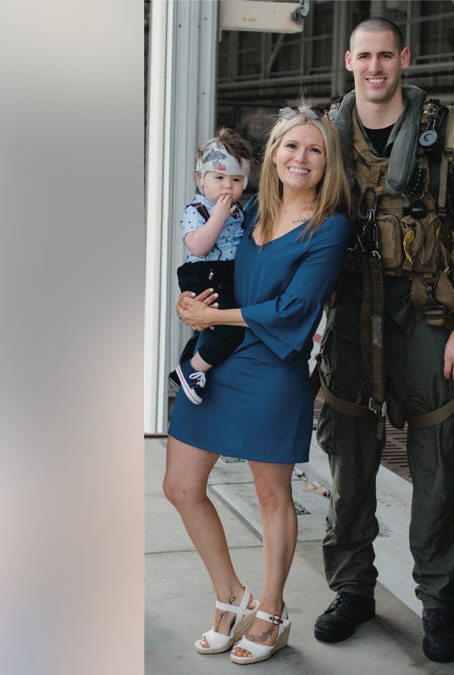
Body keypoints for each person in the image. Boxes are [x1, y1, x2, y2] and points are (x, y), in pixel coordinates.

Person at [314, 16, 454, 663]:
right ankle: (352, 588)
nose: (374, 67)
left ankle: (438, 600)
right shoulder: (325, 137)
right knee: (347, 461)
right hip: (348, 319)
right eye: (363, 56)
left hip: (429, 320)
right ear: (349, 60)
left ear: (405, 57)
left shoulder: (448, 135)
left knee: (437, 467)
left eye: (385, 56)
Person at [164, 105, 350, 666]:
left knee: (273, 495)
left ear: (327, 163)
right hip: (217, 360)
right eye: (291, 146)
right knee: (180, 485)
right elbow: (209, 265)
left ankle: (271, 610)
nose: (301, 157)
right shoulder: (246, 210)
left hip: (271, 366)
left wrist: (214, 320)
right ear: (271, 155)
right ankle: (230, 597)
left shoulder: (329, 225)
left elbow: (295, 308)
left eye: (314, 150)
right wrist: (189, 304)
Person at [172, 129, 256, 404]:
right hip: (203, 273)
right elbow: (197, 246)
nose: (227, 187)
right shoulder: (197, 211)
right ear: (200, 178)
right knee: (227, 328)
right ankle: (192, 369)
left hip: (224, 273)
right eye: (219, 178)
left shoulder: (240, 208)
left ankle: (187, 368)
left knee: (212, 328)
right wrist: (218, 216)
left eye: (236, 180)